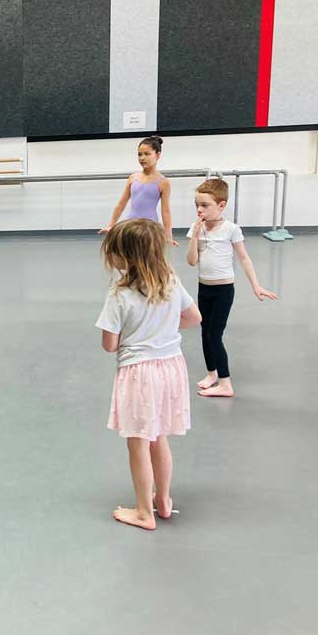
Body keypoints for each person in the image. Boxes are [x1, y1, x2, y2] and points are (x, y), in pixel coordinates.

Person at [97, 219, 202, 531]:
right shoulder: (170, 281)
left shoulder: (119, 294)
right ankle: (163, 500)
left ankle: (143, 512)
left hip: (139, 373)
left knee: (138, 444)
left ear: (124, 257)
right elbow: (193, 318)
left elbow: (109, 344)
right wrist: (164, 329)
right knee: (160, 437)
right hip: (171, 367)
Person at [186, 178, 278, 398]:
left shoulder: (231, 229)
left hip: (223, 290)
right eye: (197, 204)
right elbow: (191, 261)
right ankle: (212, 373)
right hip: (204, 287)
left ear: (221, 205)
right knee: (204, 332)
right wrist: (195, 236)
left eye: (205, 205)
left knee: (215, 335)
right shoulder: (195, 228)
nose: (199, 209)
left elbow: (244, 259)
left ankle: (225, 383)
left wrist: (256, 286)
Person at [100, 136, 177, 246]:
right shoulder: (133, 178)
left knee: (147, 260)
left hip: (150, 228)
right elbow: (121, 204)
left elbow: (166, 212)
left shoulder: (163, 182)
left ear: (158, 155)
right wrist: (111, 225)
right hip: (131, 226)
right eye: (139, 154)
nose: (142, 158)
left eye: (147, 154)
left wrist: (168, 236)